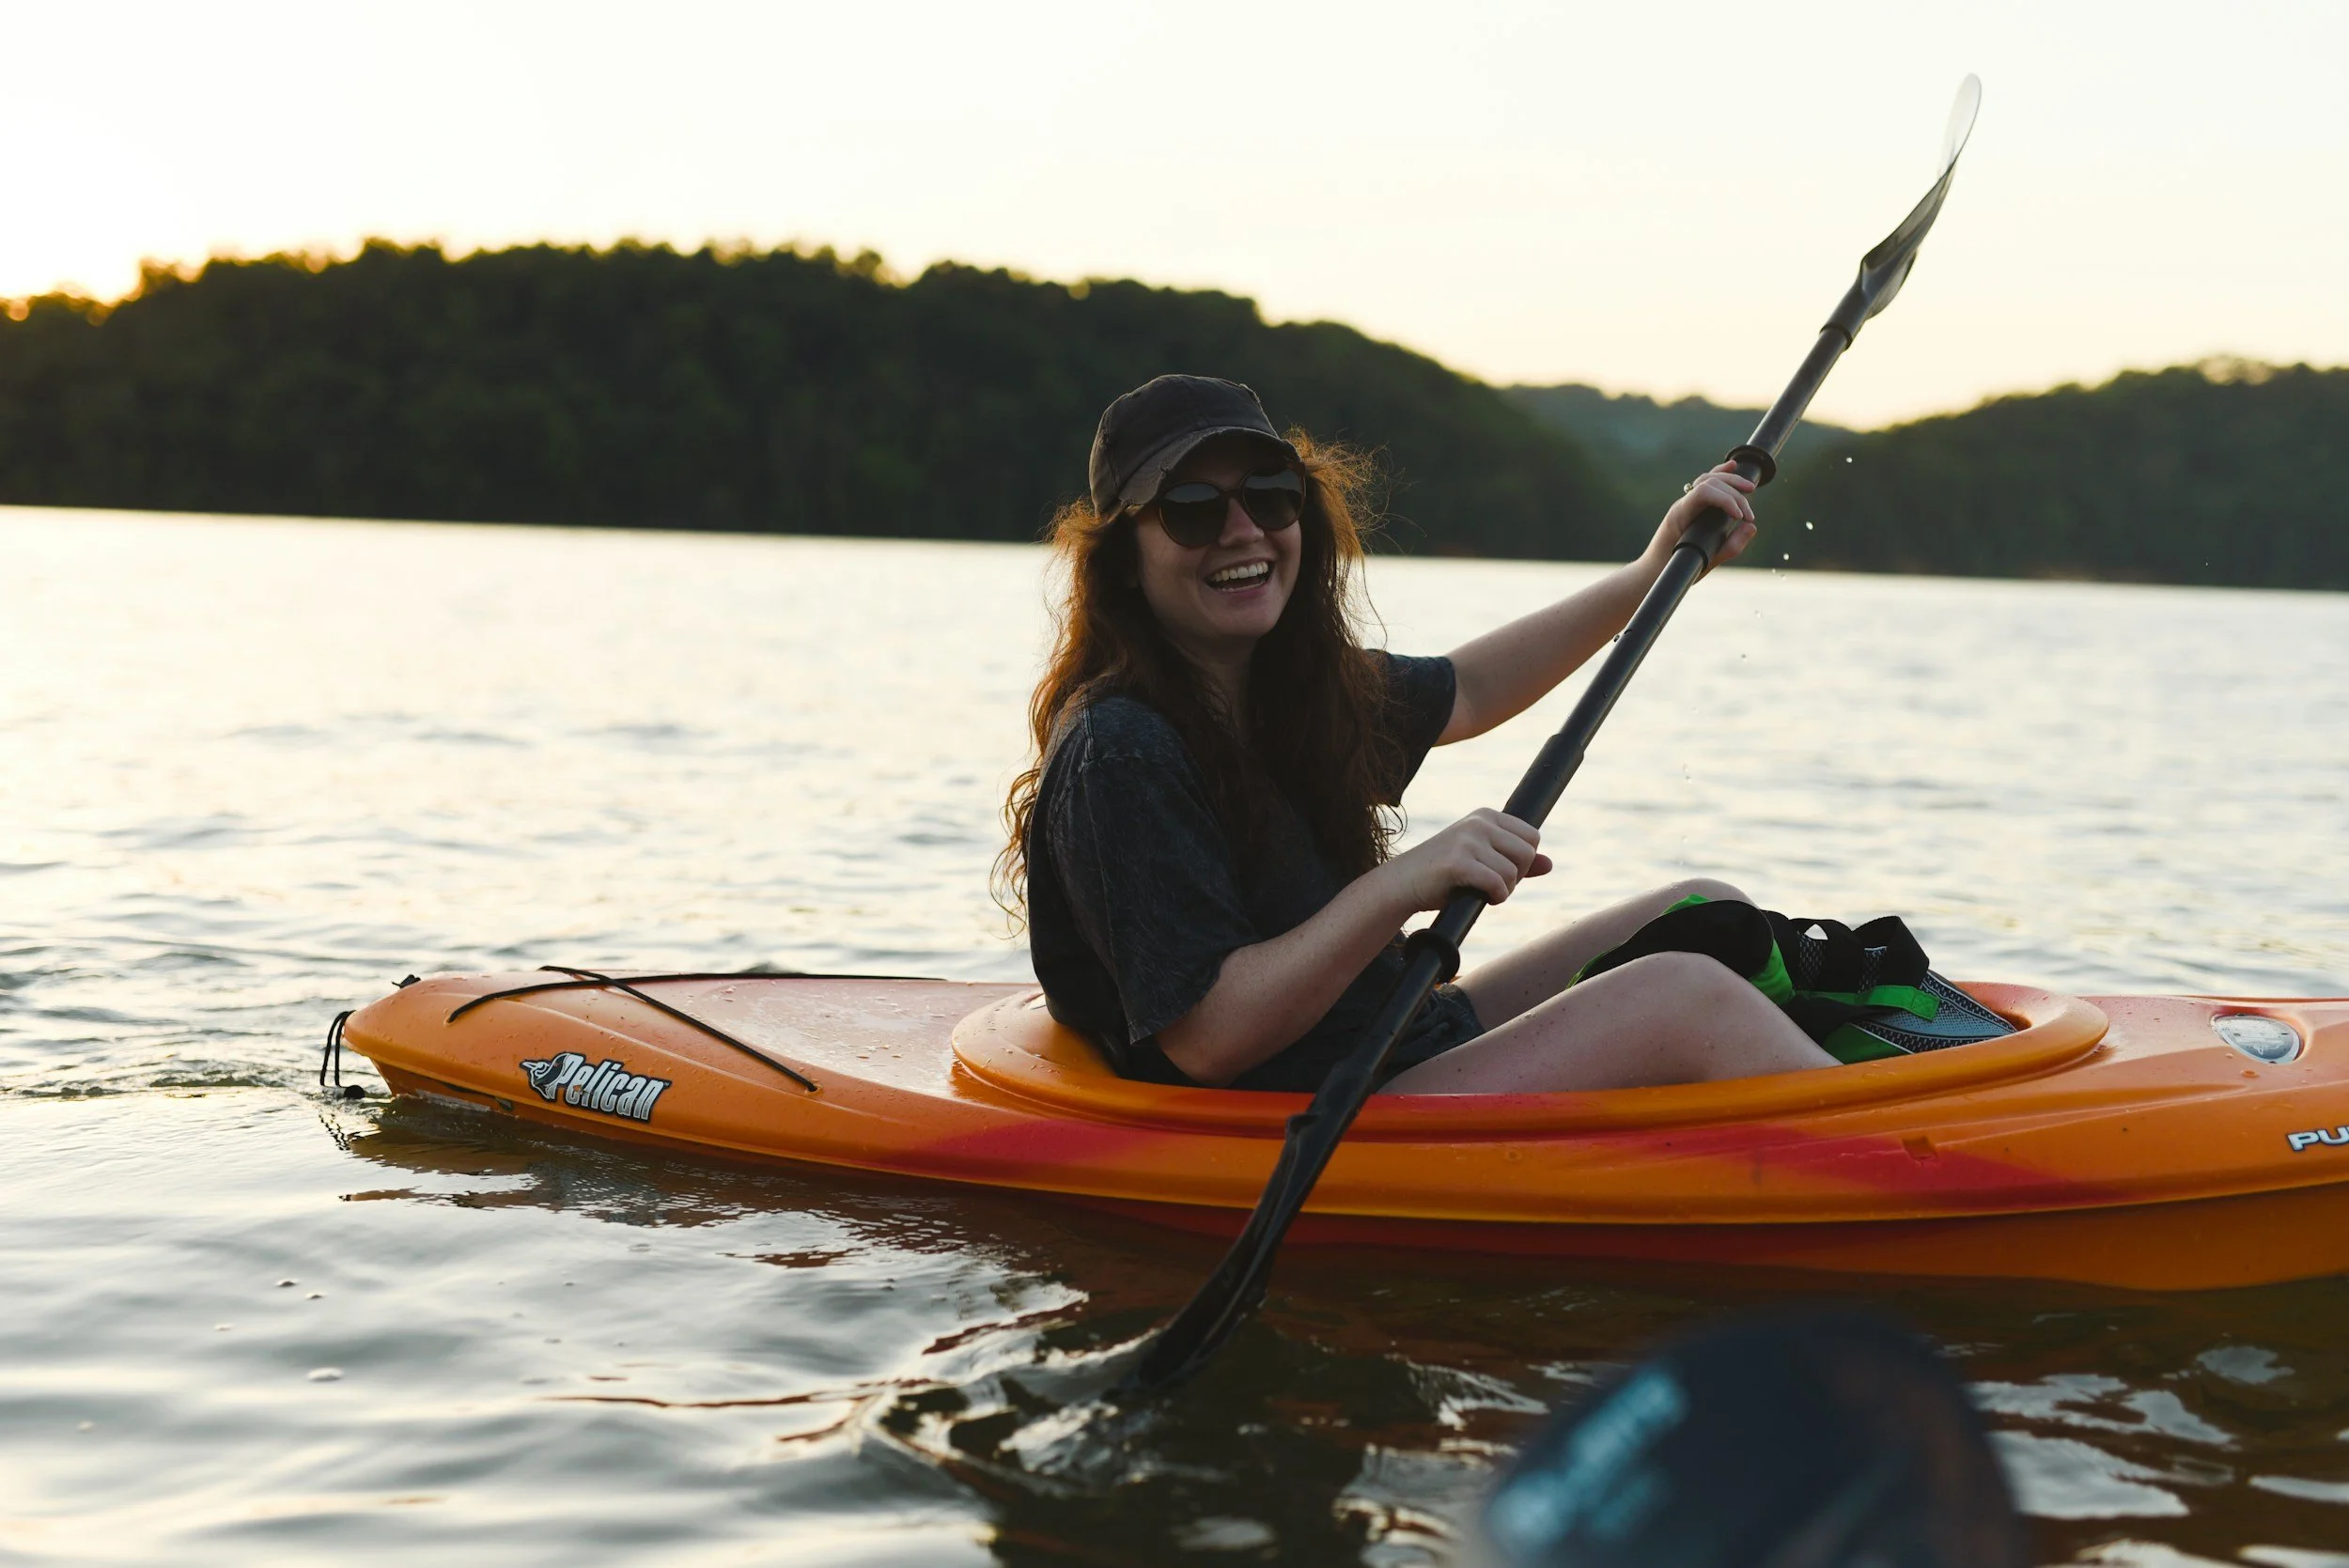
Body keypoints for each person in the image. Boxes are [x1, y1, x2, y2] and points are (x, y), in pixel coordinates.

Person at [997, 375, 1838, 1094]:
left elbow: (1468, 688)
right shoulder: (1121, 750)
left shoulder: (1285, 688)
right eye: (1190, 509)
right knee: (1679, 995)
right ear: (1123, 561)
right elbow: (1210, 1038)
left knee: (1708, 910)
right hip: (1314, 1109)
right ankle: (1908, 1160)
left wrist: (1652, 570)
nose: (1243, 529)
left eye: (1270, 495)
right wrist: (1404, 882)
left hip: (1390, 1039)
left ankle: (1855, 1099)